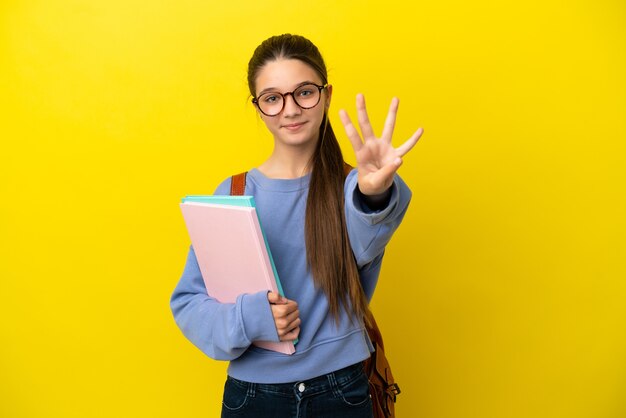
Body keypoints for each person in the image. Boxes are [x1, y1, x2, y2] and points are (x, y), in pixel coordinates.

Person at [170, 33, 424, 418]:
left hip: (343, 390)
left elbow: (367, 237)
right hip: (254, 396)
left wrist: (373, 191)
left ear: (326, 94)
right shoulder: (234, 193)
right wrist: (252, 318)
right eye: (272, 98)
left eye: (304, 92)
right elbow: (190, 304)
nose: (289, 109)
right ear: (258, 108)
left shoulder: (352, 187)